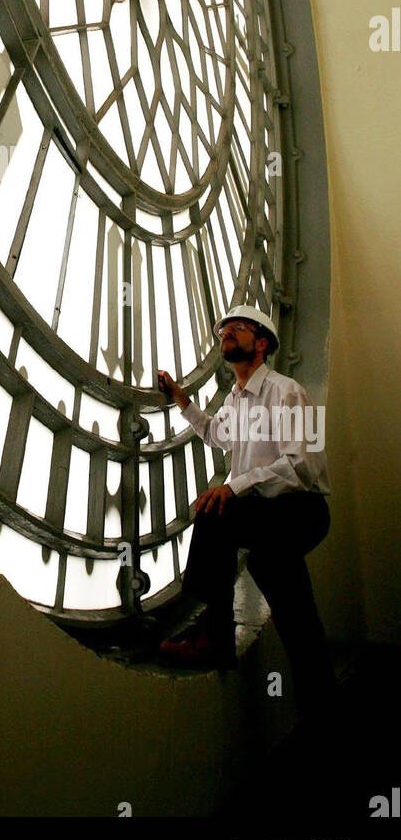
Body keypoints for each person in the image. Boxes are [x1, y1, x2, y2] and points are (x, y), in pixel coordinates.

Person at [157, 305, 337, 723]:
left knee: (216, 514)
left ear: (261, 344)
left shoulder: (287, 391)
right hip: (273, 516)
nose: (227, 334)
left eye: (238, 329)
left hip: (302, 510)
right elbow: (215, 434)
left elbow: (301, 467)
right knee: (294, 609)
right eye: (224, 330)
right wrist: (181, 398)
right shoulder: (234, 401)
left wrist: (234, 486)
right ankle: (321, 705)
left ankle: (213, 637)